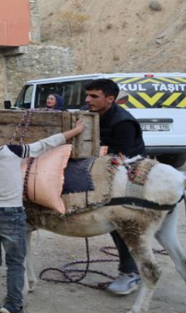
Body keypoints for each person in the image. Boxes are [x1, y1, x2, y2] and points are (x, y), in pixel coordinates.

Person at [0, 120, 86, 313]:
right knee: (15, 262)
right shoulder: (11, 152)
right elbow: (46, 144)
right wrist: (76, 130)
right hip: (10, 214)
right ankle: (13, 305)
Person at [84, 78, 146, 295]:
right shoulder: (87, 113)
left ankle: (130, 273)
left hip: (129, 175)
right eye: (87, 95)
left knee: (121, 221)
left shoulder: (123, 122)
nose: (87, 100)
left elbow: (120, 157)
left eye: (93, 96)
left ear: (110, 99)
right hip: (102, 169)